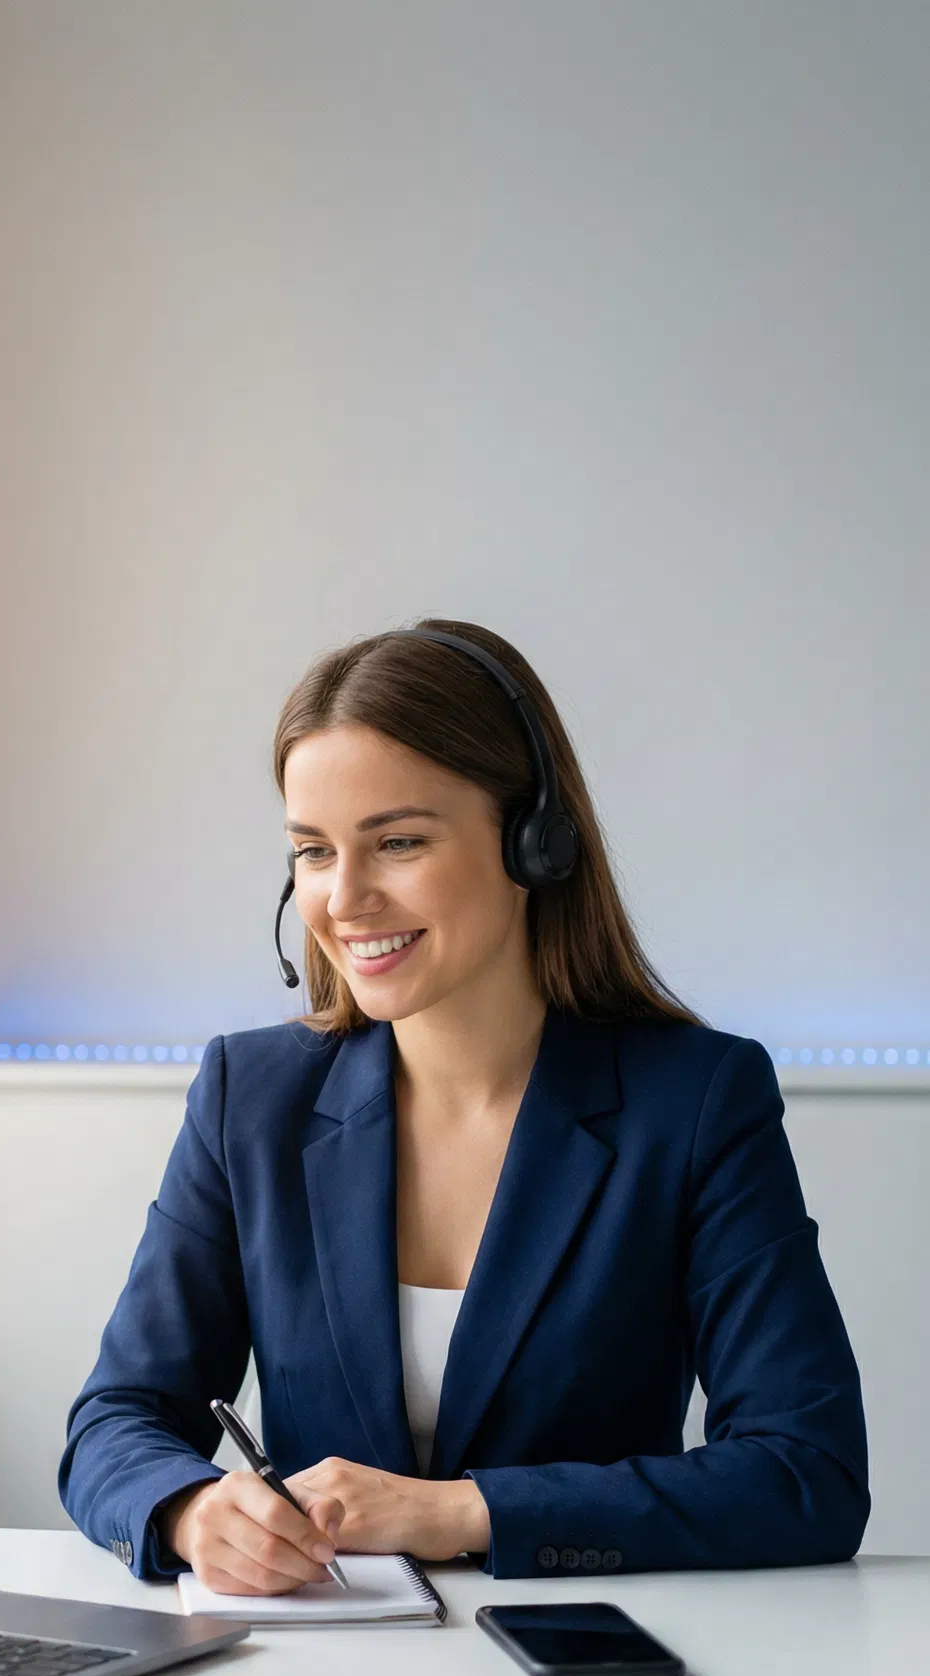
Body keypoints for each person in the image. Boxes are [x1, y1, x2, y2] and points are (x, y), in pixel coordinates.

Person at [58, 619, 871, 1595]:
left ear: (534, 843)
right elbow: (115, 1422)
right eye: (313, 852)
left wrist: (461, 1512)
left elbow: (807, 1473)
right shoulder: (251, 1096)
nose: (345, 898)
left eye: (397, 841)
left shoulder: (694, 1101)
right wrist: (190, 1510)